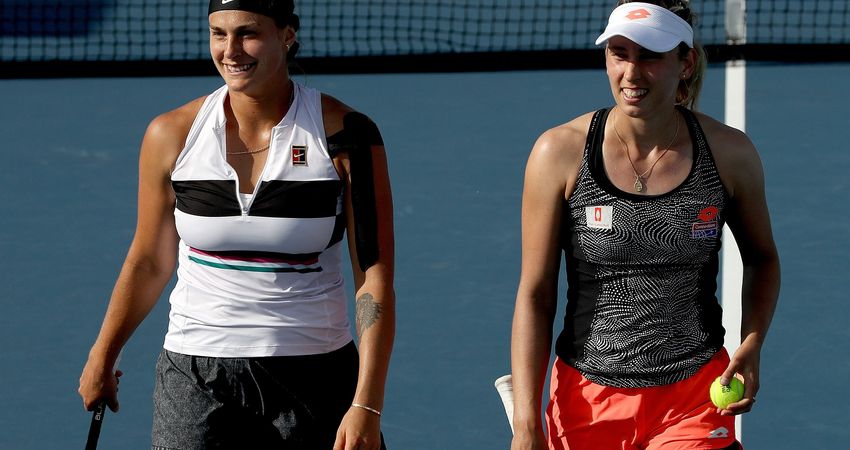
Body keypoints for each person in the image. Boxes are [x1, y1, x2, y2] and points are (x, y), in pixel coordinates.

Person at [78, 1, 395, 448]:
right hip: (194, 374)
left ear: (287, 36)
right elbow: (149, 260)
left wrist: (367, 404)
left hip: (314, 372)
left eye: (248, 33)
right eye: (218, 34)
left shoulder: (346, 135)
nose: (230, 50)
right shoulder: (171, 134)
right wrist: (103, 353)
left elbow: (374, 277)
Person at [509, 1, 780, 449]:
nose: (631, 72)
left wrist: (751, 343)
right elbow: (535, 293)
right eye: (620, 53)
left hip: (694, 396)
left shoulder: (729, 154)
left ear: (685, 62)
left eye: (650, 56)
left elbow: (762, 258)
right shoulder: (558, 153)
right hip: (586, 400)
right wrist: (526, 423)